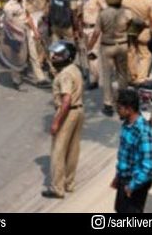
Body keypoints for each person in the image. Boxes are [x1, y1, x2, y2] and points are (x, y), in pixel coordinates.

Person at [41, 41, 84, 199]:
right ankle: (69, 183)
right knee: (73, 149)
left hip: (67, 112)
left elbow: (66, 100)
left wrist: (56, 121)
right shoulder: (74, 69)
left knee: (58, 151)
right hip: (79, 111)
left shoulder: (65, 74)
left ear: (67, 56)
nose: (54, 57)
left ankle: (57, 188)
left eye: (58, 55)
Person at [87, 0, 133, 116]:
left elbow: (96, 33)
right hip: (122, 45)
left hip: (107, 46)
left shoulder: (103, 14)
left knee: (107, 76)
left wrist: (90, 47)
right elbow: (131, 25)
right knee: (122, 74)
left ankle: (108, 104)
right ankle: (123, 101)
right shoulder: (126, 12)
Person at [113, 89, 152, 213]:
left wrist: (132, 185)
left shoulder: (143, 131)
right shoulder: (127, 125)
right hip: (124, 179)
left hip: (135, 182)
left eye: (120, 108)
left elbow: (150, 166)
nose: (117, 111)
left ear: (129, 109)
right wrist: (118, 176)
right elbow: (125, 155)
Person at [2, 0, 48, 87]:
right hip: (17, 35)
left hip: (26, 31)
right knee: (17, 55)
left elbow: (27, 17)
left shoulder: (22, 2)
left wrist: (35, 31)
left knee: (33, 54)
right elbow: (8, 25)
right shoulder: (9, 7)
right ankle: (16, 79)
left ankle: (40, 78)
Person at [122, 0, 152, 85]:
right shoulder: (149, 2)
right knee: (145, 54)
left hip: (128, 30)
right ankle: (141, 78)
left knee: (130, 52)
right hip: (144, 32)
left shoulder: (124, 0)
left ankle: (132, 77)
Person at [79, 0, 105, 90]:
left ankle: (94, 80)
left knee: (92, 55)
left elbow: (105, 11)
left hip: (95, 29)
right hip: (84, 29)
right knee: (86, 53)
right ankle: (91, 75)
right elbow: (79, 14)